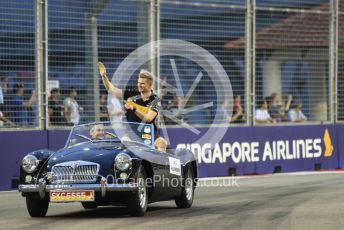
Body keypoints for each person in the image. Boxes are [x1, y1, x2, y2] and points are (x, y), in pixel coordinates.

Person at [98, 62, 167, 152]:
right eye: (138, 83)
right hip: (131, 132)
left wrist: (133, 108)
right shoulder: (131, 94)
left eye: (142, 83)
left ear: (150, 85)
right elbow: (112, 90)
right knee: (126, 141)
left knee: (162, 143)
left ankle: (159, 165)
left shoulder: (155, 100)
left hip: (148, 133)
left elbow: (149, 119)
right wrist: (104, 76)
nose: (139, 85)